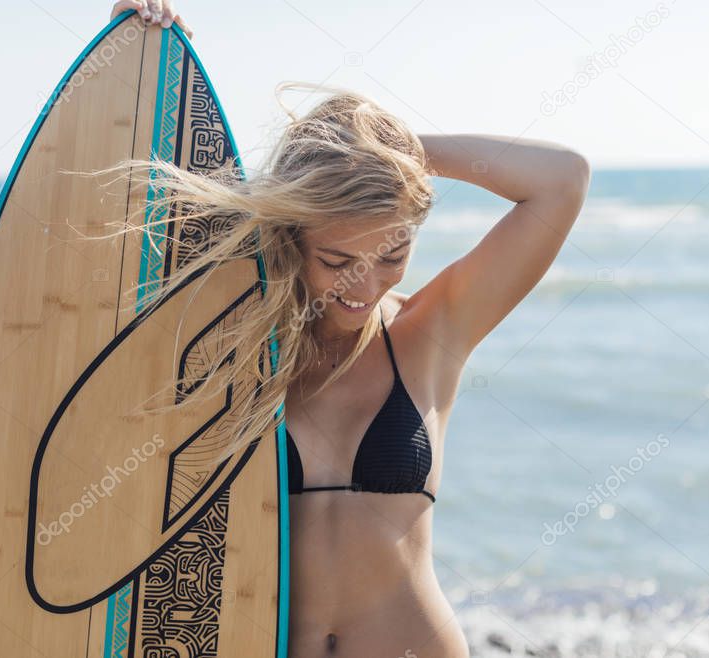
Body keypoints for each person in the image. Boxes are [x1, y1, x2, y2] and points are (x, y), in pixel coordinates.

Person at [106, 2, 590, 655]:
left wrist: (389, 151)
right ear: (293, 236)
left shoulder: (431, 332)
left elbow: (560, 180)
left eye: (392, 256)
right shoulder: (227, 334)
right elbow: (108, 244)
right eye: (337, 261)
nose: (364, 288)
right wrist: (143, 61)